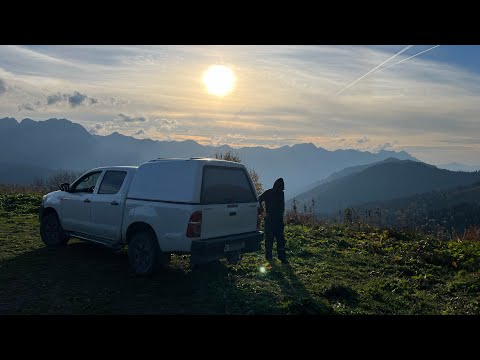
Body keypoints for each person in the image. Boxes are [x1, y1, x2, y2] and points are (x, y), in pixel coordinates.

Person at [258, 178, 287, 264]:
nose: (280, 188)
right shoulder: (270, 193)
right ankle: (270, 257)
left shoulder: (280, 193)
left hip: (276, 220)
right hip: (271, 220)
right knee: (271, 239)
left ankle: (279, 257)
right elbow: (259, 199)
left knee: (279, 239)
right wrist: (263, 212)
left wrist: (263, 212)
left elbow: (259, 199)